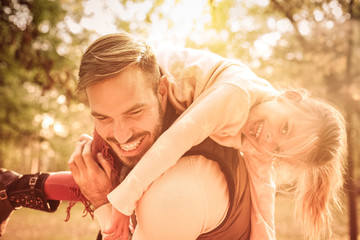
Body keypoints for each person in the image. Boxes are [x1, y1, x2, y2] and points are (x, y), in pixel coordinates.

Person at [0, 31, 347, 240]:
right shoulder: (236, 96)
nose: (268, 138)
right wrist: (118, 206)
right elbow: (173, 141)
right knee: (100, 170)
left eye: (280, 150)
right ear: (288, 97)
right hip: (142, 81)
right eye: (284, 127)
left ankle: (15, 187)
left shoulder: (255, 143)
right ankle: (18, 188)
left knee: (111, 180)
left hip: (154, 99)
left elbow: (264, 196)